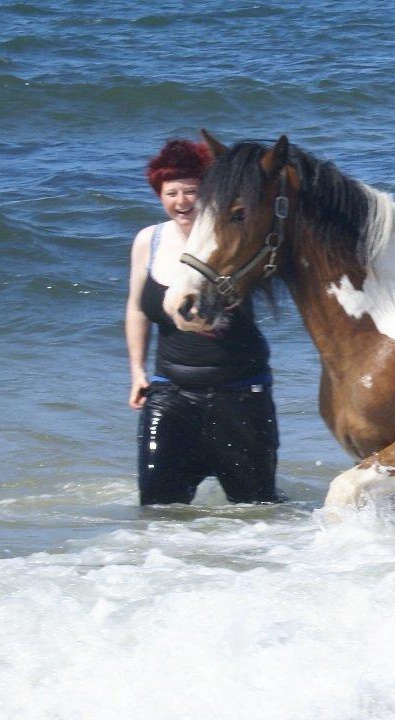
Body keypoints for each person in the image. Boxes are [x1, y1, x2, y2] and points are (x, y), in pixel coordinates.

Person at [125, 139, 280, 505]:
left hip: (240, 393)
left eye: (191, 191)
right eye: (171, 192)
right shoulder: (149, 240)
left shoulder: (232, 239)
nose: (181, 201)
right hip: (169, 393)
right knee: (157, 508)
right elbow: (135, 308)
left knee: (257, 511)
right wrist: (136, 370)